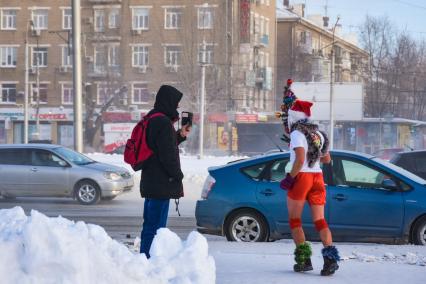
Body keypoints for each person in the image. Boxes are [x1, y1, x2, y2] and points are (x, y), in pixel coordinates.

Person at [280, 100, 340, 276]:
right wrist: (311, 159)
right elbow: (326, 159)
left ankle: (304, 261)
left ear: (293, 118)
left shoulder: (297, 134)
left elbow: (299, 160)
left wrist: (290, 177)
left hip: (302, 177)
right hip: (317, 177)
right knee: (320, 221)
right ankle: (330, 261)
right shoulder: (318, 134)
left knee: (295, 220)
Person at [139, 85, 191, 258]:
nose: (176, 107)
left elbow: (159, 147)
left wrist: (180, 135)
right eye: (175, 104)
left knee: (149, 226)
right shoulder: (163, 122)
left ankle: (145, 258)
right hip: (161, 184)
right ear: (168, 102)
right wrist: (178, 175)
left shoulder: (152, 118)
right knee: (156, 229)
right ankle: (149, 261)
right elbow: (167, 155)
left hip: (152, 182)